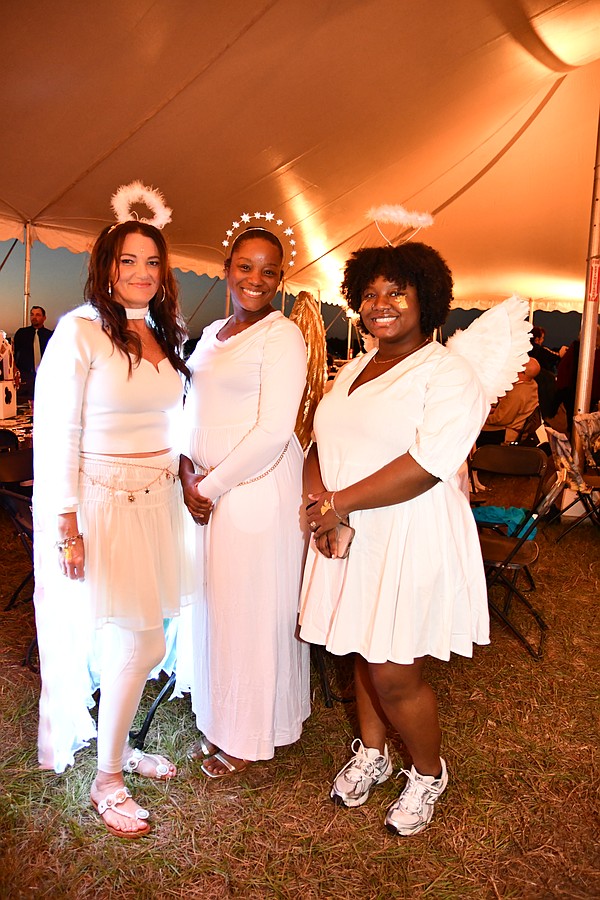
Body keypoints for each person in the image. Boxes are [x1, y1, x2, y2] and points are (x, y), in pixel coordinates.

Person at [298, 243, 530, 837]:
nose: (381, 304)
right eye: (370, 293)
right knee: (359, 644)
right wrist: (320, 507)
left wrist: (336, 505)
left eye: (396, 292)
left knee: (394, 672)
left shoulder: (448, 374)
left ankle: (428, 772)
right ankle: (373, 754)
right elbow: (322, 442)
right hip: (347, 528)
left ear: (427, 298)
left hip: (409, 531)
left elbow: (426, 465)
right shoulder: (354, 368)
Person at [33, 196, 192, 838]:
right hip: (104, 505)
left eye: (152, 261)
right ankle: (107, 778)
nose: (141, 272)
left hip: (158, 500)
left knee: (140, 633)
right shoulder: (79, 332)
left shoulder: (164, 330)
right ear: (105, 265)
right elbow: (58, 432)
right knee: (141, 642)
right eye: (128, 260)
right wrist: (66, 525)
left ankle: (118, 746)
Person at [179, 226, 311, 778]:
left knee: (252, 610)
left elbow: (274, 433)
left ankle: (251, 733)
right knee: (219, 607)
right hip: (207, 491)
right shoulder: (212, 332)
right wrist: (186, 466)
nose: (256, 279)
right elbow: (192, 405)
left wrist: (206, 488)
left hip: (254, 489)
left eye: (269, 271)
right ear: (226, 268)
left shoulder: (282, 336)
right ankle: (220, 717)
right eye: (245, 266)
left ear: (280, 279)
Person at [478, 357, 541, 445]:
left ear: (522, 371)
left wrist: (480, 417)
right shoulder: (532, 384)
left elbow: (500, 419)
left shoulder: (518, 393)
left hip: (506, 432)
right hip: (513, 426)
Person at [13, 305, 54, 399]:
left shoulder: (50, 335)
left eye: (38, 315)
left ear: (44, 318)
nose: (34, 317)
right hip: (25, 377)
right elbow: (13, 353)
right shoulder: (21, 333)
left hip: (45, 377)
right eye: (32, 314)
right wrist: (15, 370)